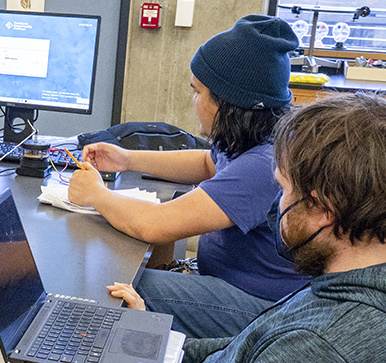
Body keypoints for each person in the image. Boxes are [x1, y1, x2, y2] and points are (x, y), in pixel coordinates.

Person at [68, 15, 308, 339]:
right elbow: (208, 164)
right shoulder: (255, 139)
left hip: (259, 307)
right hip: (235, 284)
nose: (193, 102)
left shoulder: (262, 165)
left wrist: (96, 194)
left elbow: (154, 225)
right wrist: (127, 158)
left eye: (198, 92)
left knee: (119, 281)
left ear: (228, 103)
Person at [107, 93, 386, 363]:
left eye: (284, 190)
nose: (276, 204)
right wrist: (152, 341)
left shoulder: (314, 344)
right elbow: (238, 348)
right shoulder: (338, 283)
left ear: (323, 211)